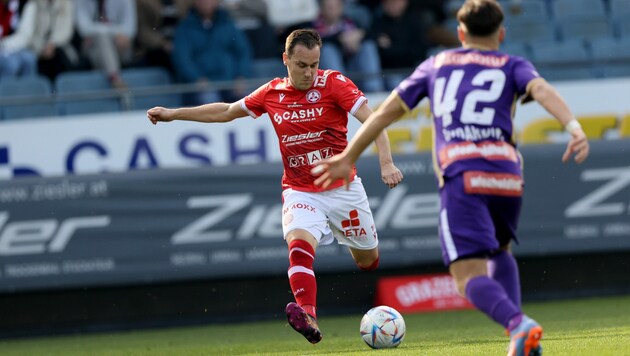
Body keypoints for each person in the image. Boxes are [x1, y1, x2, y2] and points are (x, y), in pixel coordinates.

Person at [311, 1, 590, 355]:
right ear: (501, 34)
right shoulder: (512, 63)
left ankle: (519, 325)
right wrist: (574, 127)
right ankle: (519, 337)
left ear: (459, 33)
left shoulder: (437, 65)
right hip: (508, 174)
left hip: (463, 173)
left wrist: (347, 156)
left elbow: (383, 115)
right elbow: (543, 90)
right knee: (500, 250)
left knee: (466, 277)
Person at [147, 28, 403, 344]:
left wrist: (386, 162)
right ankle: (308, 314)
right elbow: (227, 111)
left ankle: (345, 259)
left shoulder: (334, 83)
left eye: (314, 64)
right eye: (301, 65)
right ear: (285, 59)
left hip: (343, 189)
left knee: (367, 261)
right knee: (298, 248)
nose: (309, 73)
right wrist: (173, 114)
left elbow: (374, 119)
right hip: (300, 190)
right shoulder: (271, 93)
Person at [171, 0, 253, 105]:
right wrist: (197, 79)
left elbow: (243, 52)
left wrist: (242, 76)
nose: (205, 2)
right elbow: (182, 59)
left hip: (230, 83)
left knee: (250, 101)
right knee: (210, 102)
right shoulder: (185, 28)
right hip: (199, 88)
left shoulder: (228, 24)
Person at [312, 0, 384, 93]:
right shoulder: (312, 26)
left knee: (368, 47)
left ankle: (375, 92)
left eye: (336, 6)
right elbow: (320, 41)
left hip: (353, 69)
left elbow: (371, 35)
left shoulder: (351, 22)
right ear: (321, 8)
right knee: (328, 50)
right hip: (327, 76)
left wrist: (359, 36)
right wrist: (341, 40)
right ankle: (341, 93)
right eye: (329, 6)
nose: (333, 9)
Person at [75, 0, 137, 89]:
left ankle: (113, 77)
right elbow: (83, 29)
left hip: (120, 47)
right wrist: (116, 32)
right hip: (92, 48)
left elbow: (130, 30)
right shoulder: (82, 1)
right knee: (101, 38)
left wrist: (96, 32)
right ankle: (115, 78)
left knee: (103, 39)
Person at [0, 0, 37, 79]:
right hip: (4, 49)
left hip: (11, 46)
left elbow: (25, 36)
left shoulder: (26, 4)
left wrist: (3, 44)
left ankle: (27, 90)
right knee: (11, 64)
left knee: (29, 58)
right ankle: (5, 90)